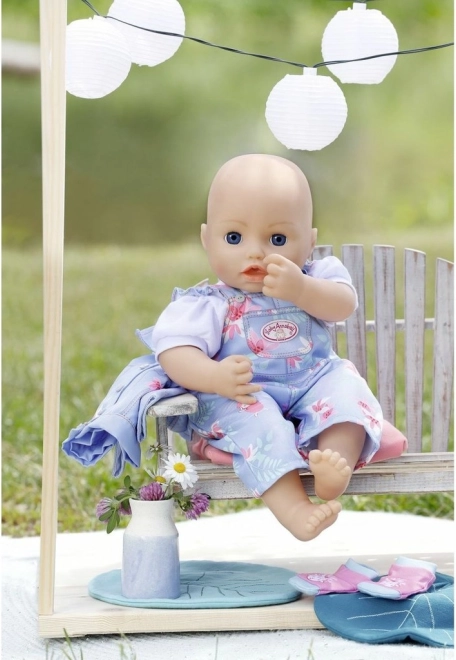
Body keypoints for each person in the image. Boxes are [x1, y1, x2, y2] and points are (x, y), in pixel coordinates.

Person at [148, 153, 383, 541]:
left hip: (313, 380)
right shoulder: (206, 304)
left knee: (346, 391)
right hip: (244, 392)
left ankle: (335, 465)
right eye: (234, 238)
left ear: (310, 241)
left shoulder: (316, 276)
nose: (255, 252)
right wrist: (214, 376)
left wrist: (301, 289)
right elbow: (173, 352)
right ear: (207, 239)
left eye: (277, 239)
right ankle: (294, 509)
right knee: (260, 424)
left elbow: (344, 305)